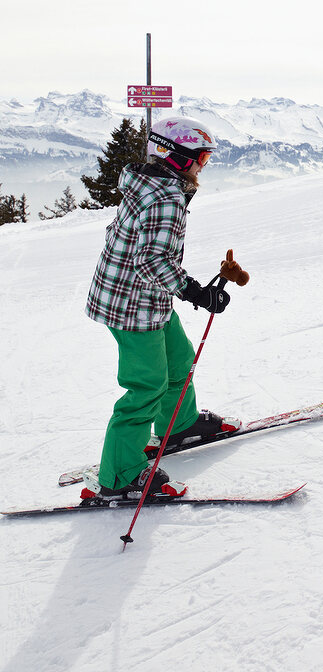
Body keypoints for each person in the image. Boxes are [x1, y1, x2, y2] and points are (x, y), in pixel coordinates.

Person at [83, 116, 237, 501]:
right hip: (133, 307)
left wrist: (184, 287)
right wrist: (193, 291)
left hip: (144, 297)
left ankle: (179, 425)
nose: (205, 164)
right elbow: (151, 262)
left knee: (179, 358)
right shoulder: (166, 198)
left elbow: (148, 255)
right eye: (201, 156)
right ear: (178, 157)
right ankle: (119, 476)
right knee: (146, 387)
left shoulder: (153, 184)